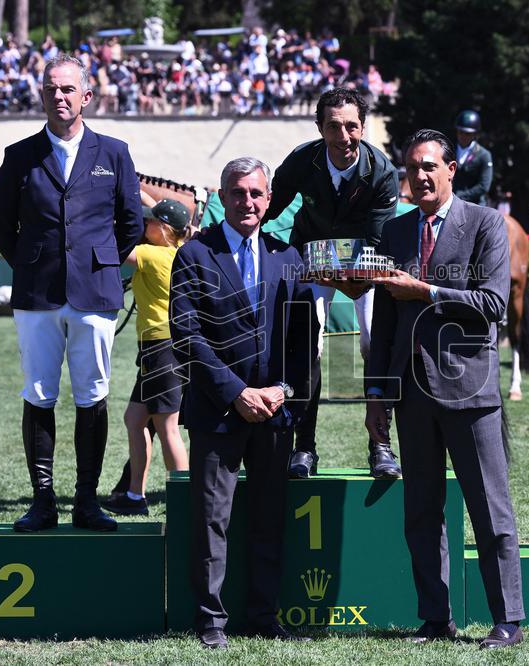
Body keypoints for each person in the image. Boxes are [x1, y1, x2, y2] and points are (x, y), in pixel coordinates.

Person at [364, 129, 525, 649]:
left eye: (430, 166)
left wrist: (427, 290)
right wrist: (378, 395)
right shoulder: (394, 233)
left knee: (489, 509)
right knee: (421, 513)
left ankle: (508, 621)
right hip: (411, 393)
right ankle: (436, 619)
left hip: (471, 392)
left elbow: (494, 305)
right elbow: (385, 323)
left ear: (452, 169)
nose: (421, 176)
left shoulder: (484, 224)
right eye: (412, 168)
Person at [0, 54, 143, 533]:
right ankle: (42, 502)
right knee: (38, 393)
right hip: (37, 295)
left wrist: (98, 268)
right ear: (42, 95)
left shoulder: (114, 152)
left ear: (86, 97)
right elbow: (1, 227)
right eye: (51, 89)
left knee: (92, 395)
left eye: (68, 89)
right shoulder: (19, 156)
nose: (59, 96)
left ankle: (86, 502)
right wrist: (33, 264)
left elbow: (131, 224)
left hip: (94, 295)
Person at [170, 157, 317, 649]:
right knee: (213, 517)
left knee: (269, 517)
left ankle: (264, 614)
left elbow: (304, 340)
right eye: (237, 193)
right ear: (223, 196)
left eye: (256, 194)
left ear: (269, 199)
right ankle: (211, 621)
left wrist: (283, 391)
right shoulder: (194, 255)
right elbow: (186, 336)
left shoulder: (287, 258)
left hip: (275, 414)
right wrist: (236, 393)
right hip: (217, 411)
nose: (247, 202)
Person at [265, 86, 401, 479]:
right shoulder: (301, 160)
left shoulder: (383, 172)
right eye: (334, 127)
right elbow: (270, 207)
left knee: (375, 339)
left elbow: (376, 239)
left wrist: (348, 279)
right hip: (312, 259)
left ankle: (381, 444)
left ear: (363, 126)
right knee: (307, 343)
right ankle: (303, 447)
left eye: (352, 127)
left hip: (365, 264)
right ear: (319, 127)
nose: (343, 137)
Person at [103, 200, 192, 516]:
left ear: (165, 228)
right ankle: (134, 495)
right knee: (135, 419)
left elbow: (113, 251)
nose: (144, 225)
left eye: (151, 221)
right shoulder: (180, 252)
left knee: (167, 427)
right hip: (163, 348)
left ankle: (185, 500)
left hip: (161, 348)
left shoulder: (153, 254)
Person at [451, 110, 494, 206]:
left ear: (475, 134)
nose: (463, 136)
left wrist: (460, 196)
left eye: (467, 134)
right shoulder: (448, 151)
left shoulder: (484, 155)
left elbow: (484, 186)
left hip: (474, 204)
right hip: (448, 201)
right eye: (461, 132)